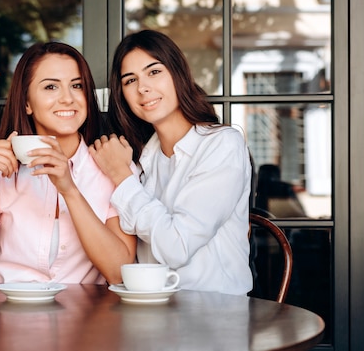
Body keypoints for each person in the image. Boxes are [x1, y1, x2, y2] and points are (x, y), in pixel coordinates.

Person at [0, 41, 136, 286]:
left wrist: (69, 190)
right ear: (26, 103)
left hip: (85, 317)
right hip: (6, 312)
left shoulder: (112, 166)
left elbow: (119, 273)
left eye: (77, 86)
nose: (68, 98)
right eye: (51, 87)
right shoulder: (1, 170)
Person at [89, 30, 252, 295]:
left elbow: (176, 246)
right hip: (149, 314)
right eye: (130, 80)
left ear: (178, 73)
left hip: (215, 317)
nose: (143, 88)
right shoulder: (142, 159)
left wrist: (121, 176)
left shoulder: (222, 144)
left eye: (154, 72)